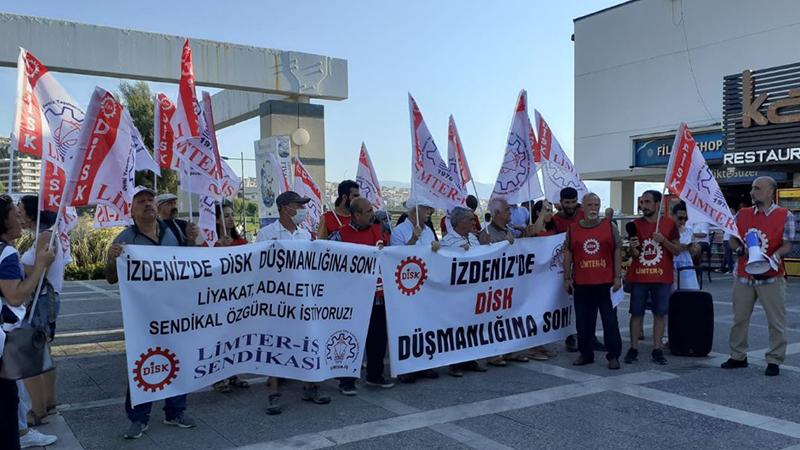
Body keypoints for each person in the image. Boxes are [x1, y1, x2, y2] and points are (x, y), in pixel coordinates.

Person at [106, 187, 198, 439]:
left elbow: (190, 265)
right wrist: (112, 259)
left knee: (179, 360)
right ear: (132, 209)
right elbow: (111, 278)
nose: (148, 204)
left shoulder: (175, 230)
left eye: (150, 200)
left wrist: (191, 241)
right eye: (141, 201)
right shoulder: (125, 240)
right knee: (142, 362)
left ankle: (175, 411)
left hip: (176, 311)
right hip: (143, 316)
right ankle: (138, 417)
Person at [255, 191, 332, 412]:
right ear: (284, 207)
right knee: (274, 344)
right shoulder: (266, 234)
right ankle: (274, 393)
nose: (301, 209)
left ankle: (311, 387)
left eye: (302, 205)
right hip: (276, 300)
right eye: (297, 205)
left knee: (305, 341)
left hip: (302, 299)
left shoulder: (305, 235)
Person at [722, 176, 796, 377]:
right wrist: (740, 251)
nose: (752, 192)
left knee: (776, 321)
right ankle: (738, 356)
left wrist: (776, 255)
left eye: (757, 188)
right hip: (744, 275)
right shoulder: (742, 214)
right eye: (752, 188)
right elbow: (732, 241)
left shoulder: (784, 215)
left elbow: (787, 244)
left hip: (772, 276)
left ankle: (774, 359)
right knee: (740, 318)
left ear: (771, 192)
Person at [0, 194, 56, 450]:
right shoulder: (7, 252)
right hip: (4, 334)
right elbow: (15, 295)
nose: (19, 217)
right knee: (9, 394)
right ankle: (18, 434)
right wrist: (42, 263)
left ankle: (22, 431)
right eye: (14, 213)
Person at [330, 197, 395, 393]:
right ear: (356, 214)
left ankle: (375, 376)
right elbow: (330, 262)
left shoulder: (379, 231)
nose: (372, 214)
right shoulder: (340, 236)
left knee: (378, 338)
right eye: (368, 211)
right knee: (351, 338)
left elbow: (392, 255)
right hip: (353, 298)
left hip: (378, 296)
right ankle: (347, 380)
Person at [16, 196, 64, 429]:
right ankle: (48, 402)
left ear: (32, 212)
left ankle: (38, 411)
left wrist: (13, 261)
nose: (18, 215)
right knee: (43, 352)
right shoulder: (43, 235)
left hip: (41, 302)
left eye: (20, 210)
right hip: (44, 301)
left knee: (27, 356)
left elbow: (40, 271)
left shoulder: (46, 235)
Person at [563, 193, 623, 369]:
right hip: (582, 283)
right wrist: (566, 278)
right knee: (583, 322)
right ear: (582, 207)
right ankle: (585, 354)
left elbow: (617, 250)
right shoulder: (573, 229)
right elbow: (568, 253)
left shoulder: (609, 226)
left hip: (606, 283)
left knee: (610, 321)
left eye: (596, 205)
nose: (593, 208)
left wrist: (617, 276)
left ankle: (613, 356)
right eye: (589, 205)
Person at [623, 190, 681, 366]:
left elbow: (677, 250)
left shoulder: (670, 224)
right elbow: (634, 253)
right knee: (636, 313)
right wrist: (633, 248)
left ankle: (657, 349)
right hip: (639, 277)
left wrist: (663, 240)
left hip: (662, 277)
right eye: (642, 202)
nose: (644, 206)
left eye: (648, 202)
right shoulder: (634, 225)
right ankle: (633, 348)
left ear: (657, 204)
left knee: (660, 313)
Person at [391, 198, 442, 382]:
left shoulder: (428, 231)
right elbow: (397, 257)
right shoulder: (399, 231)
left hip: (426, 284)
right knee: (407, 326)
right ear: (415, 211)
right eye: (426, 210)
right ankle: (406, 367)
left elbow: (433, 253)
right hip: (407, 286)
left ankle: (424, 363)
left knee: (425, 324)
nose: (429, 213)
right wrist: (413, 239)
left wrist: (436, 248)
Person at [478, 198, 533, 366]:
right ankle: (494, 353)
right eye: (507, 211)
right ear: (496, 214)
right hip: (494, 286)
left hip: (509, 284)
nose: (510, 213)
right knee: (494, 319)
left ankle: (509, 350)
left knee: (509, 317)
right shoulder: (487, 234)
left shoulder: (507, 229)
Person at [204, 202, 250, 394]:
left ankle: (233, 373)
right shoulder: (209, 243)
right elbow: (205, 268)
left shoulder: (241, 242)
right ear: (216, 219)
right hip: (218, 298)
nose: (231, 219)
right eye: (227, 215)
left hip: (238, 297)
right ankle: (217, 376)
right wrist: (219, 249)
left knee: (235, 336)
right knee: (218, 337)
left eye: (232, 215)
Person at [552, 188, 589, 353]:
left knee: (586, 305)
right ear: (561, 202)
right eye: (567, 203)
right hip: (563, 267)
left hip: (585, 265)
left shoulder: (584, 214)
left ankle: (588, 337)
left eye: (573, 202)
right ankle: (570, 336)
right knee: (567, 304)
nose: (571, 205)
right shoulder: (555, 220)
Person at [672, 202, 700, 290]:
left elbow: (694, 252)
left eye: (685, 218)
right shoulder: (667, 230)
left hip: (686, 265)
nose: (683, 221)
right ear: (673, 216)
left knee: (688, 292)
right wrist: (686, 247)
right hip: (672, 265)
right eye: (680, 218)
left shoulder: (688, 231)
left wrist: (695, 249)